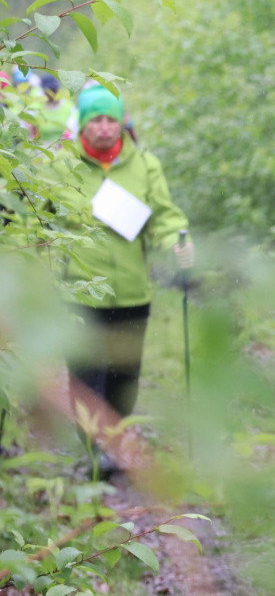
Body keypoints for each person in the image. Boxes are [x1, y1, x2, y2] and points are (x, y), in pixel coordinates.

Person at [47, 86, 193, 479]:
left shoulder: (144, 165)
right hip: (79, 293)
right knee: (85, 377)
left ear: (123, 122)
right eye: (96, 119)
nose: (105, 127)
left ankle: (112, 444)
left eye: (112, 119)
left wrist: (178, 241)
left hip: (131, 294)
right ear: (82, 122)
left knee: (123, 378)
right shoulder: (61, 165)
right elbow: (42, 222)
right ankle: (95, 453)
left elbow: (165, 217)